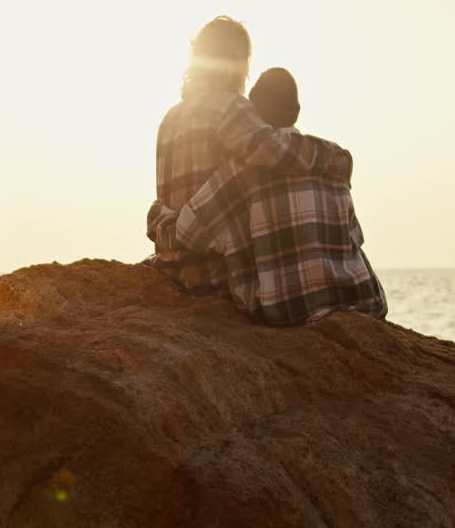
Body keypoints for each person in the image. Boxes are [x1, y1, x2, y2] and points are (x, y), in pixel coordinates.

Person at [146, 18, 387, 324]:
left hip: (175, 264)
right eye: (245, 64)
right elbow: (273, 150)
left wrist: (159, 223)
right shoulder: (228, 107)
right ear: (234, 62)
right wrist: (336, 158)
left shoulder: (169, 119)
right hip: (218, 274)